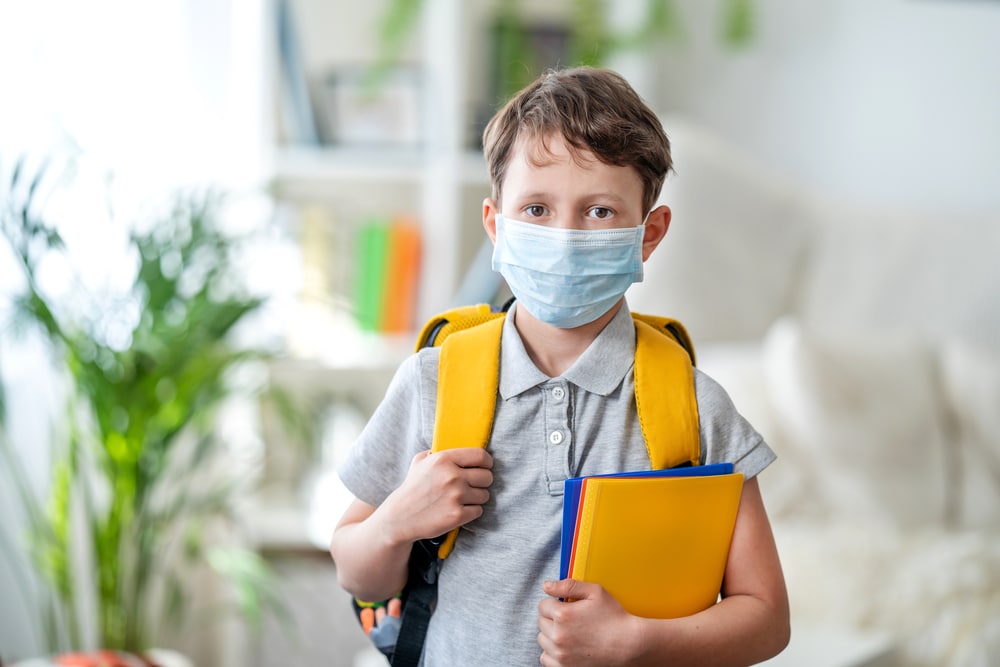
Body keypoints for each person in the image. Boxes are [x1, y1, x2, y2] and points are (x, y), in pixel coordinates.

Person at [330, 66, 790, 666]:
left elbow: (767, 617)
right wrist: (395, 521)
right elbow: (357, 574)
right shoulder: (433, 382)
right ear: (496, 225)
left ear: (648, 235)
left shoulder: (697, 407)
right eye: (537, 209)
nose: (565, 235)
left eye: (599, 212)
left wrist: (636, 642)